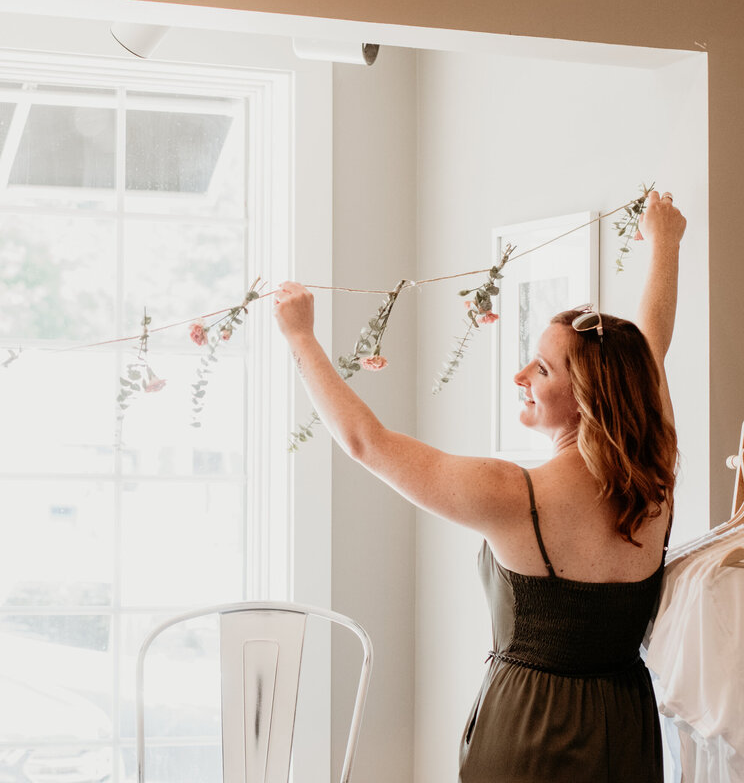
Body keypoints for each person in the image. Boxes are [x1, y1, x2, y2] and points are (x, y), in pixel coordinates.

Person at [272, 189, 686, 782]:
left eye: (541, 369)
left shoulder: (515, 495)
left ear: (589, 398)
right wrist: (665, 245)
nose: (520, 375)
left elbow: (368, 442)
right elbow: (652, 349)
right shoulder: (657, 473)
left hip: (527, 739)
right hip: (625, 734)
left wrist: (301, 338)